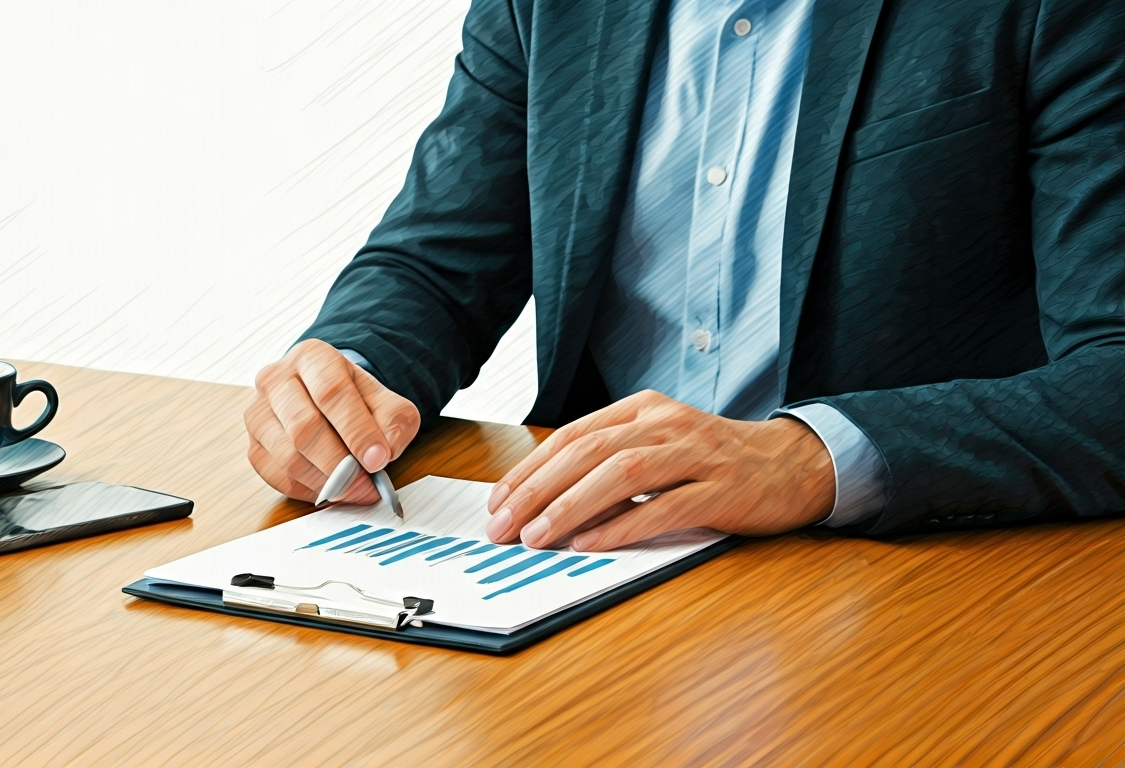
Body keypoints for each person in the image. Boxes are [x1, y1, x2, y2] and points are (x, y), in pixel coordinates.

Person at [246, 0, 1125, 551]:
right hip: (584, 561)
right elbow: (436, 264)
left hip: (903, 580)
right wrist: (350, 373)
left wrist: (808, 458)